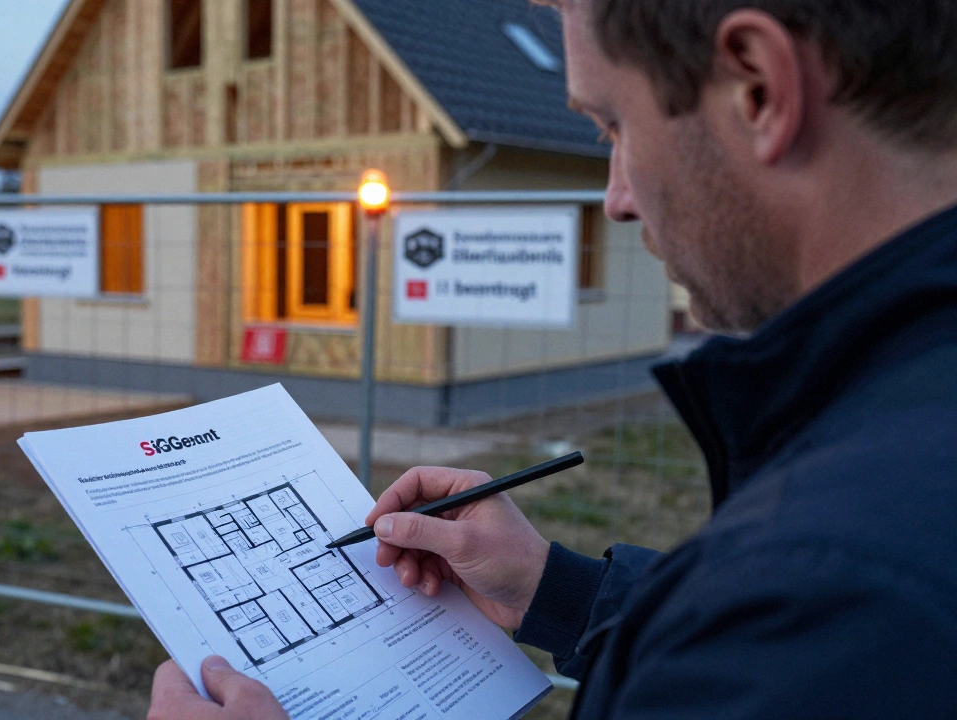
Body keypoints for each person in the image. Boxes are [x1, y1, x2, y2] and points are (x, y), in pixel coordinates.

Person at [147, 0, 957, 717]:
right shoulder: (885, 467)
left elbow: (792, 628)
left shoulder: (826, 589)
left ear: (758, 89)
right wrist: (562, 592)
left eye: (615, 127)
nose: (615, 198)